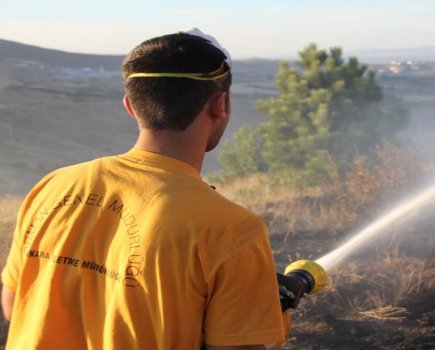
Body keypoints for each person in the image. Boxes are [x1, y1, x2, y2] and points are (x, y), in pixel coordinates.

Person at [1, 28, 289, 349]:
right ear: (220, 104)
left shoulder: (52, 187)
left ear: (131, 106)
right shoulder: (231, 230)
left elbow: (15, 305)